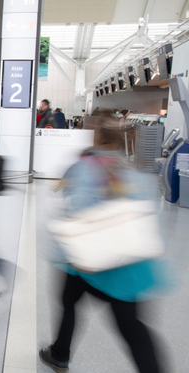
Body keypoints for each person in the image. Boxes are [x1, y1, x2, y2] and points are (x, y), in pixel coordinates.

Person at [39, 114, 164, 373]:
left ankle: (60, 354)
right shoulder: (124, 168)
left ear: (95, 136)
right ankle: (60, 352)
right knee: (129, 323)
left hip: (90, 258)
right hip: (126, 261)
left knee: (68, 301)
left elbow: (79, 209)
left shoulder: (85, 165)